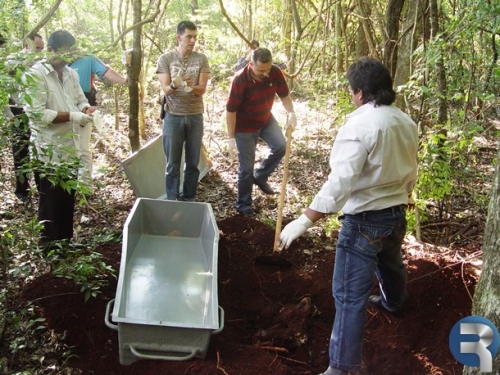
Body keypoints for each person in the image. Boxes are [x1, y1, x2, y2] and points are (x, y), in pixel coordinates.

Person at [278, 57, 418, 375]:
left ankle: (342, 368)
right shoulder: (405, 122)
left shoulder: (359, 126)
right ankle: (394, 302)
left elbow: (341, 183)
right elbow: (411, 167)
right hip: (395, 213)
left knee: (348, 294)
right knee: (391, 260)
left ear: (358, 92)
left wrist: (305, 219)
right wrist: (406, 194)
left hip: (365, 220)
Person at [23, 30, 97, 243]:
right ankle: (49, 249)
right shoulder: (35, 75)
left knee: (67, 201)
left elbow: (79, 99)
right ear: (50, 50)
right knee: (50, 205)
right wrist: (73, 116)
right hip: (48, 153)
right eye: (63, 54)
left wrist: (85, 109)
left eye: (70, 55)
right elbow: (36, 114)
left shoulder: (71, 74)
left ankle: (65, 242)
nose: (66, 59)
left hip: (70, 148)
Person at [226, 47, 297, 217]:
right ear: (251, 64)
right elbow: (231, 111)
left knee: (281, 146)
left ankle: (261, 175)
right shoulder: (240, 80)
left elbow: (284, 95)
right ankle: (243, 205)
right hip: (244, 127)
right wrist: (230, 138)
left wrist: (291, 112)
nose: (265, 74)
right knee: (246, 168)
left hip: (265, 119)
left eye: (267, 69)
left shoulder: (275, 72)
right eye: (260, 70)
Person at [156, 20, 210, 201]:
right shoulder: (166, 59)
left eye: (195, 37)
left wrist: (190, 86)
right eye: (189, 37)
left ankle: (189, 199)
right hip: (173, 116)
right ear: (179, 37)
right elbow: (166, 89)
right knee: (172, 164)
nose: (193, 41)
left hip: (195, 116)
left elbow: (202, 89)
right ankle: (172, 200)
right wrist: (175, 82)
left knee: (193, 163)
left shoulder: (201, 59)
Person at [69, 54, 127, 180]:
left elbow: (106, 71)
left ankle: (85, 185)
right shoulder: (55, 64)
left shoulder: (87, 59)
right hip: (63, 109)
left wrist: (124, 81)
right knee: (67, 147)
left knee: (83, 147)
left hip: (85, 107)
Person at [7, 34, 45, 201]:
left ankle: (42, 187)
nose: (39, 52)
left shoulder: (43, 63)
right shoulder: (13, 62)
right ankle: (22, 190)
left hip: (38, 111)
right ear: (27, 45)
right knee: (20, 151)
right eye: (37, 48)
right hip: (17, 111)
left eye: (41, 49)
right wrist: (9, 116)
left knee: (39, 149)